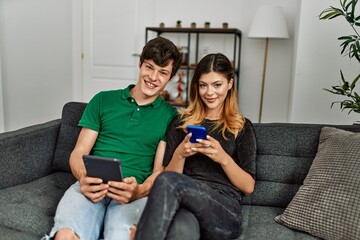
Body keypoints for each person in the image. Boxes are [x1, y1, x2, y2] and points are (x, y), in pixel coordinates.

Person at [45, 36, 182, 240]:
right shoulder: (103, 100)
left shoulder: (170, 116)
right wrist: (84, 179)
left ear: (170, 78)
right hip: (92, 184)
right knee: (65, 236)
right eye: (149, 67)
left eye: (162, 73)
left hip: (133, 192)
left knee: (123, 236)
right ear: (140, 64)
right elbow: (79, 152)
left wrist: (140, 190)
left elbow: (158, 172)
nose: (153, 77)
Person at [133, 53, 257, 240]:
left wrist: (222, 157)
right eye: (203, 85)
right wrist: (180, 154)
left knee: (167, 180)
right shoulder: (180, 123)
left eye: (217, 85)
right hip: (186, 205)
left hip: (223, 211)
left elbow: (248, 187)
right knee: (182, 231)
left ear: (230, 84)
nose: (209, 92)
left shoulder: (241, 126)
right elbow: (171, 177)